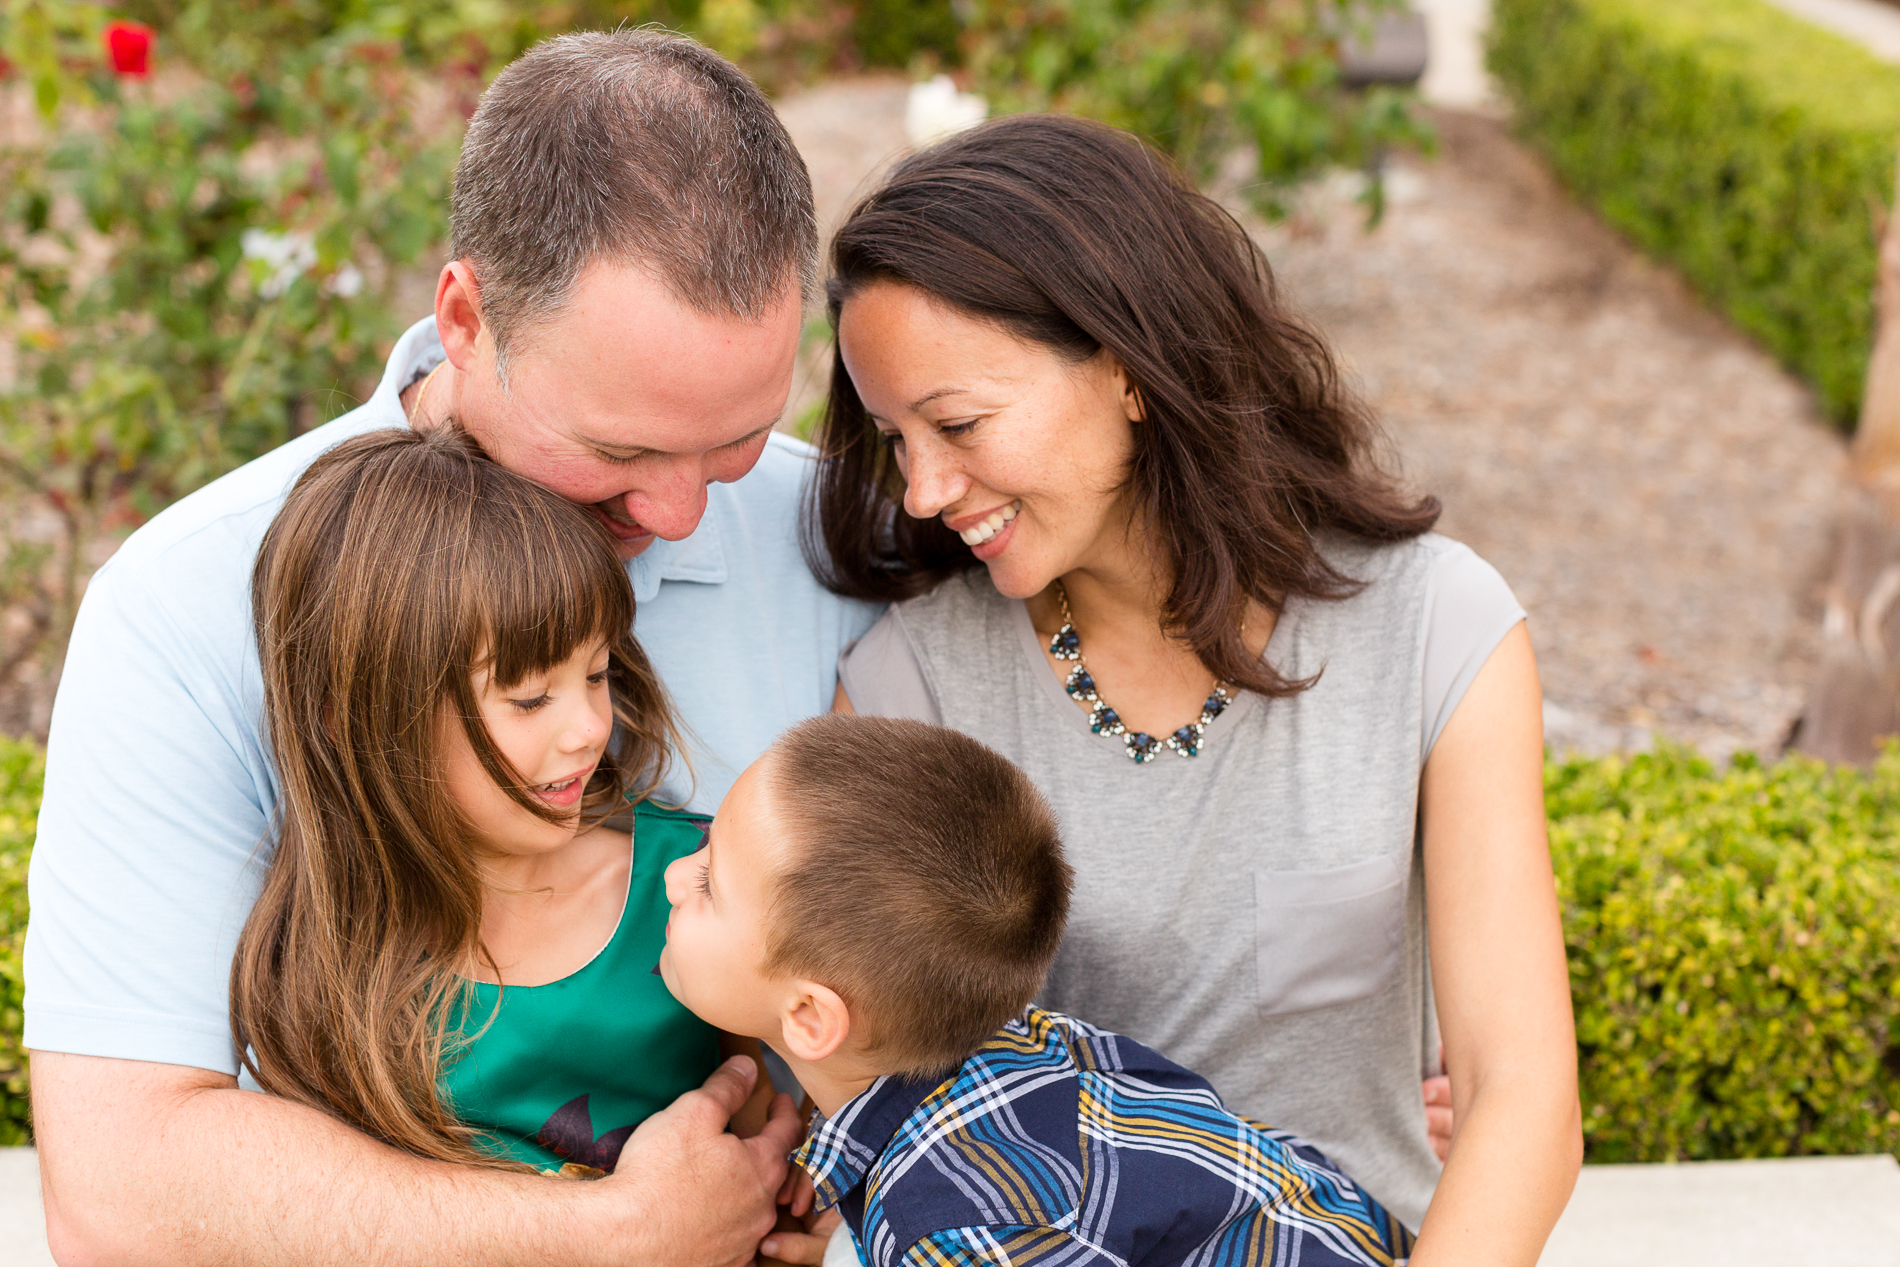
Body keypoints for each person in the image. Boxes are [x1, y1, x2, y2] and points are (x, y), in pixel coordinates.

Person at [26, 31, 875, 1267]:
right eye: (623, 452)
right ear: (468, 319)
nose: (688, 515)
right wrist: (613, 1232)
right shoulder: (190, 601)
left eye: (739, 437)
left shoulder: (829, 539)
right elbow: (119, 1194)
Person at [808, 114, 1582, 1264]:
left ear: (1124, 365)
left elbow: (1520, 1095)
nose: (921, 490)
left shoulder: (1436, 629)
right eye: (892, 439)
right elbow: (867, 1086)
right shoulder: (911, 688)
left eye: (958, 424)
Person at [658, 713, 1417, 1267]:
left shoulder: (956, 1223)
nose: (672, 876)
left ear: (809, 1015)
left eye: (709, 884)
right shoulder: (1046, 1050)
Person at [235, 427, 779, 1173]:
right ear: (360, 717)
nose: (589, 728)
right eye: (528, 699)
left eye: (596, 674)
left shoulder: (694, 883)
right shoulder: (325, 951)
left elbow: (763, 1127)